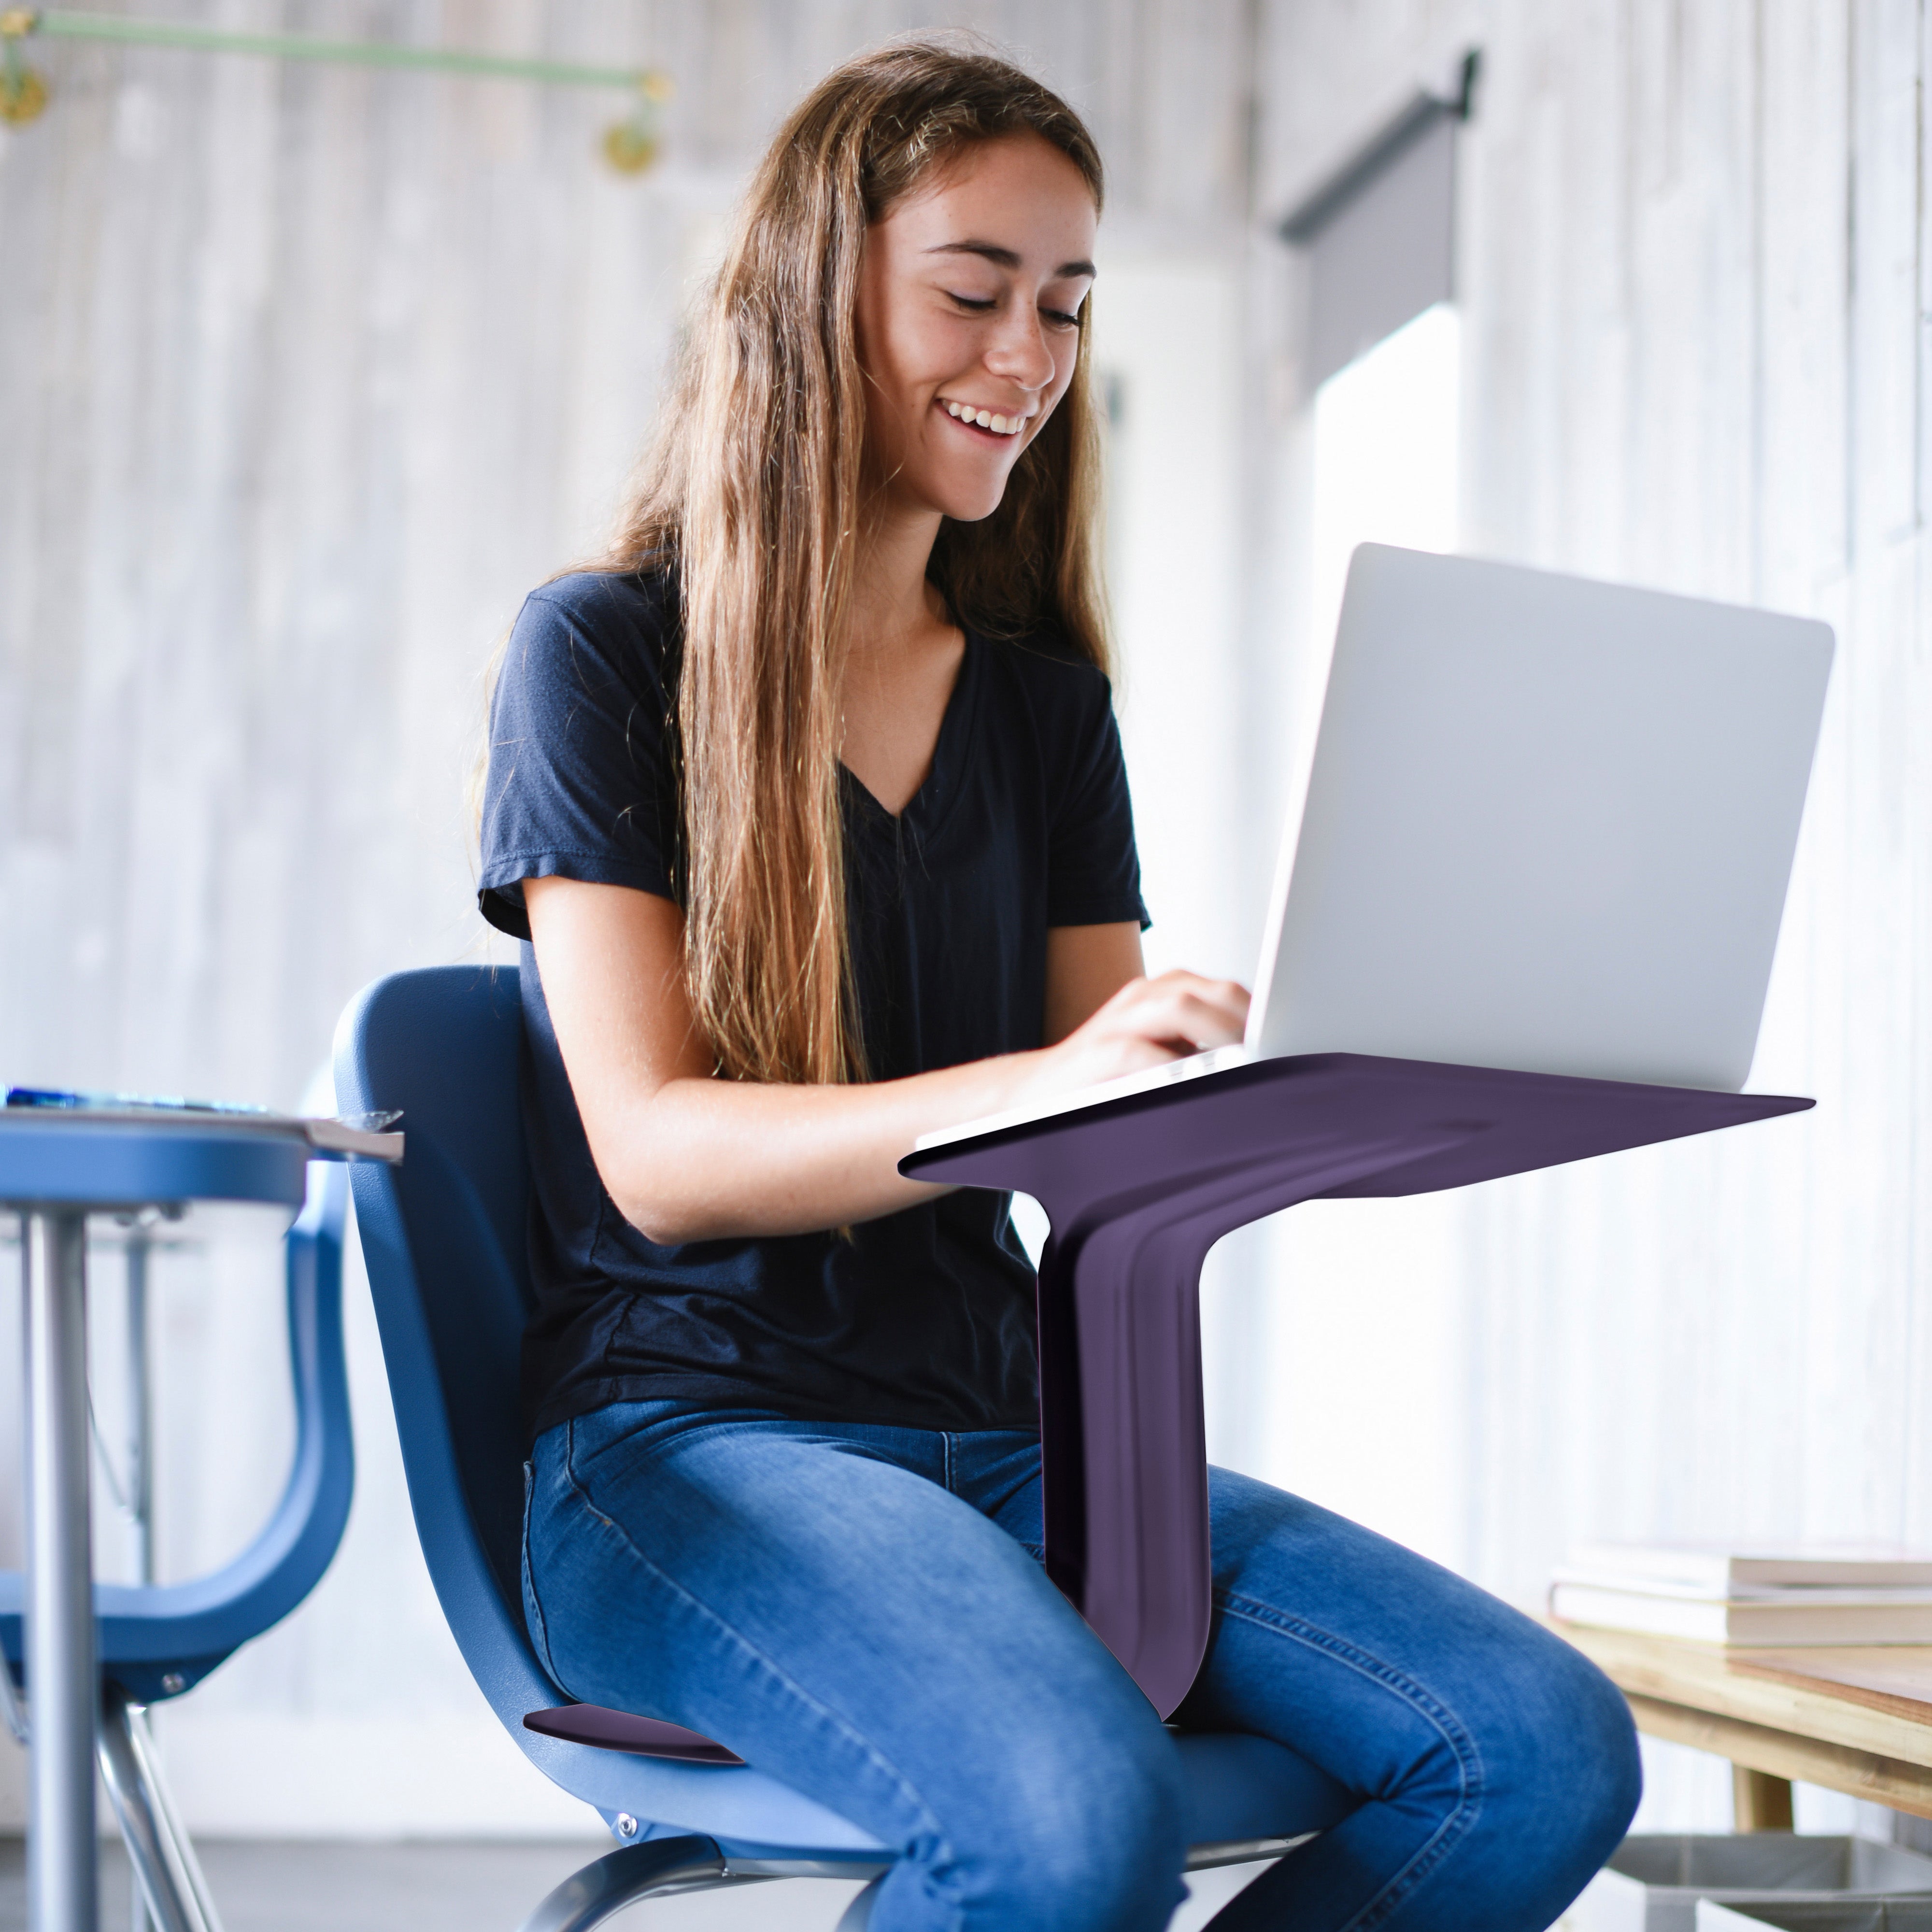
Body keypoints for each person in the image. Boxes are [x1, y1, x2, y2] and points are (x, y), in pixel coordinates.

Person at [477, 38, 1639, 1932]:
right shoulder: (601, 651)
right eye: (971, 292)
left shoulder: (1039, 707)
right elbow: (661, 1155)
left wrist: (1324, 1085)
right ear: (814, 289)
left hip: (1017, 1433)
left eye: (1067, 308)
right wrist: (1044, 1079)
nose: (1025, 360)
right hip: (694, 1439)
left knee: (1539, 1745)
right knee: (1069, 1817)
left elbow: (1107, 1132)